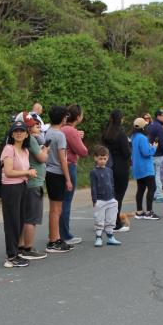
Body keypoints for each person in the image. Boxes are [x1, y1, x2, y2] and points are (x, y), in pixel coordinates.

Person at [0, 120, 36, 268]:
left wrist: (28, 173)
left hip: (22, 186)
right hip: (10, 188)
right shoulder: (9, 149)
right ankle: (11, 256)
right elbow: (8, 172)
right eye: (16, 131)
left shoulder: (25, 151)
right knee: (12, 222)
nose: (19, 133)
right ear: (12, 134)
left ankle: (16, 253)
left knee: (20, 220)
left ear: (27, 134)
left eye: (22, 131)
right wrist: (27, 172)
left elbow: (22, 171)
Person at [18, 114, 49, 260]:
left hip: (21, 182)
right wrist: (46, 149)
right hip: (33, 182)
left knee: (22, 216)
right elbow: (42, 158)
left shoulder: (12, 139)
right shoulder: (29, 139)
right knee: (31, 218)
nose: (30, 128)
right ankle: (28, 248)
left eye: (31, 125)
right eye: (28, 125)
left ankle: (19, 246)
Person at [43, 106, 73, 253]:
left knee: (54, 208)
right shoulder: (60, 135)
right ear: (62, 118)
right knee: (56, 209)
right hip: (57, 173)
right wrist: (68, 179)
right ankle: (53, 242)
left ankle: (54, 237)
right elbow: (62, 159)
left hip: (49, 172)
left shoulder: (48, 132)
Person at [60, 104, 89, 245]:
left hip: (58, 167)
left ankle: (56, 234)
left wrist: (77, 135)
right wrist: (78, 138)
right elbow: (83, 151)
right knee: (66, 202)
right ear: (78, 117)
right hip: (69, 166)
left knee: (59, 202)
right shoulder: (70, 131)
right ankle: (65, 235)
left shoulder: (62, 128)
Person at [102, 110, 132, 231]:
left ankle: (106, 220)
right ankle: (115, 223)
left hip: (108, 165)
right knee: (118, 196)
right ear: (120, 119)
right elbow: (126, 153)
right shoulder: (121, 133)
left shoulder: (106, 133)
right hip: (120, 166)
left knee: (110, 195)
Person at [89, 145, 121, 246]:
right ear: (95, 158)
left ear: (107, 158)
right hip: (100, 200)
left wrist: (114, 197)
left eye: (104, 158)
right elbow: (93, 187)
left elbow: (112, 184)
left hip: (111, 199)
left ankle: (110, 237)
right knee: (99, 219)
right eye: (100, 158)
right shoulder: (94, 172)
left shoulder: (109, 171)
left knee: (111, 218)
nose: (102, 161)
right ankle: (98, 238)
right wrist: (94, 200)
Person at [131, 117, 160, 219]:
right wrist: (154, 147)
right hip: (146, 167)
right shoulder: (142, 138)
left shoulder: (133, 137)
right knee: (152, 188)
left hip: (137, 167)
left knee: (141, 189)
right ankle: (149, 212)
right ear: (143, 128)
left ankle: (139, 211)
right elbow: (146, 152)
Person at [146, 109, 163, 202]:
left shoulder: (149, 126)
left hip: (150, 154)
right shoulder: (159, 128)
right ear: (158, 116)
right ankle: (159, 195)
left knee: (152, 176)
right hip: (158, 154)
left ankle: (153, 194)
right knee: (158, 176)